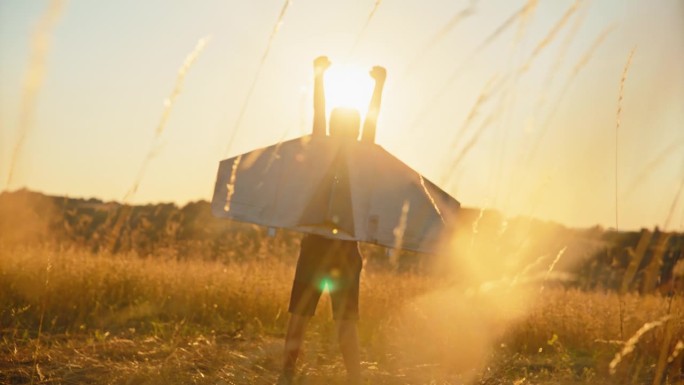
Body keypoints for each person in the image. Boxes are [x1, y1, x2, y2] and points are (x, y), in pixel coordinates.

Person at [277, 56, 386, 385]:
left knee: (308, 318)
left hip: (322, 247)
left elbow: (320, 115)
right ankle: (347, 378)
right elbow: (360, 120)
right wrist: (379, 85)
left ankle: (289, 376)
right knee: (338, 322)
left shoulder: (336, 153)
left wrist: (320, 76)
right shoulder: (346, 153)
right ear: (352, 129)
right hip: (341, 249)